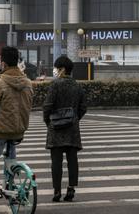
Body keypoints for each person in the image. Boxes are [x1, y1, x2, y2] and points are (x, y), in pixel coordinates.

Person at [0, 46, 33, 214]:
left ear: (3, 62)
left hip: (0, 131)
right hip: (19, 130)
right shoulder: (27, 81)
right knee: (10, 164)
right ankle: (12, 194)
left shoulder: (0, 81)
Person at [43, 56, 87, 202]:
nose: (55, 71)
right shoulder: (77, 86)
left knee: (56, 162)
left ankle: (56, 191)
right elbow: (83, 107)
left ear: (62, 69)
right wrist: (74, 119)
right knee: (72, 160)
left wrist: (48, 121)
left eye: (56, 68)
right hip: (72, 130)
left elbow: (47, 106)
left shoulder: (55, 85)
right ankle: (71, 189)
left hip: (55, 128)